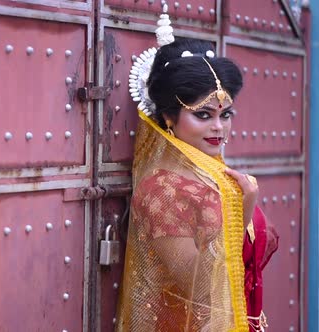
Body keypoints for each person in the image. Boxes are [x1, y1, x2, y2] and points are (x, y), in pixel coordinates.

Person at [115, 5, 278, 332]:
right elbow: (200, 287)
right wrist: (242, 210)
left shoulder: (215, 172)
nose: (218, 127)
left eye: (225, 115)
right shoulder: (159, 191)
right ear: (169, 118)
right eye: (202, 115)